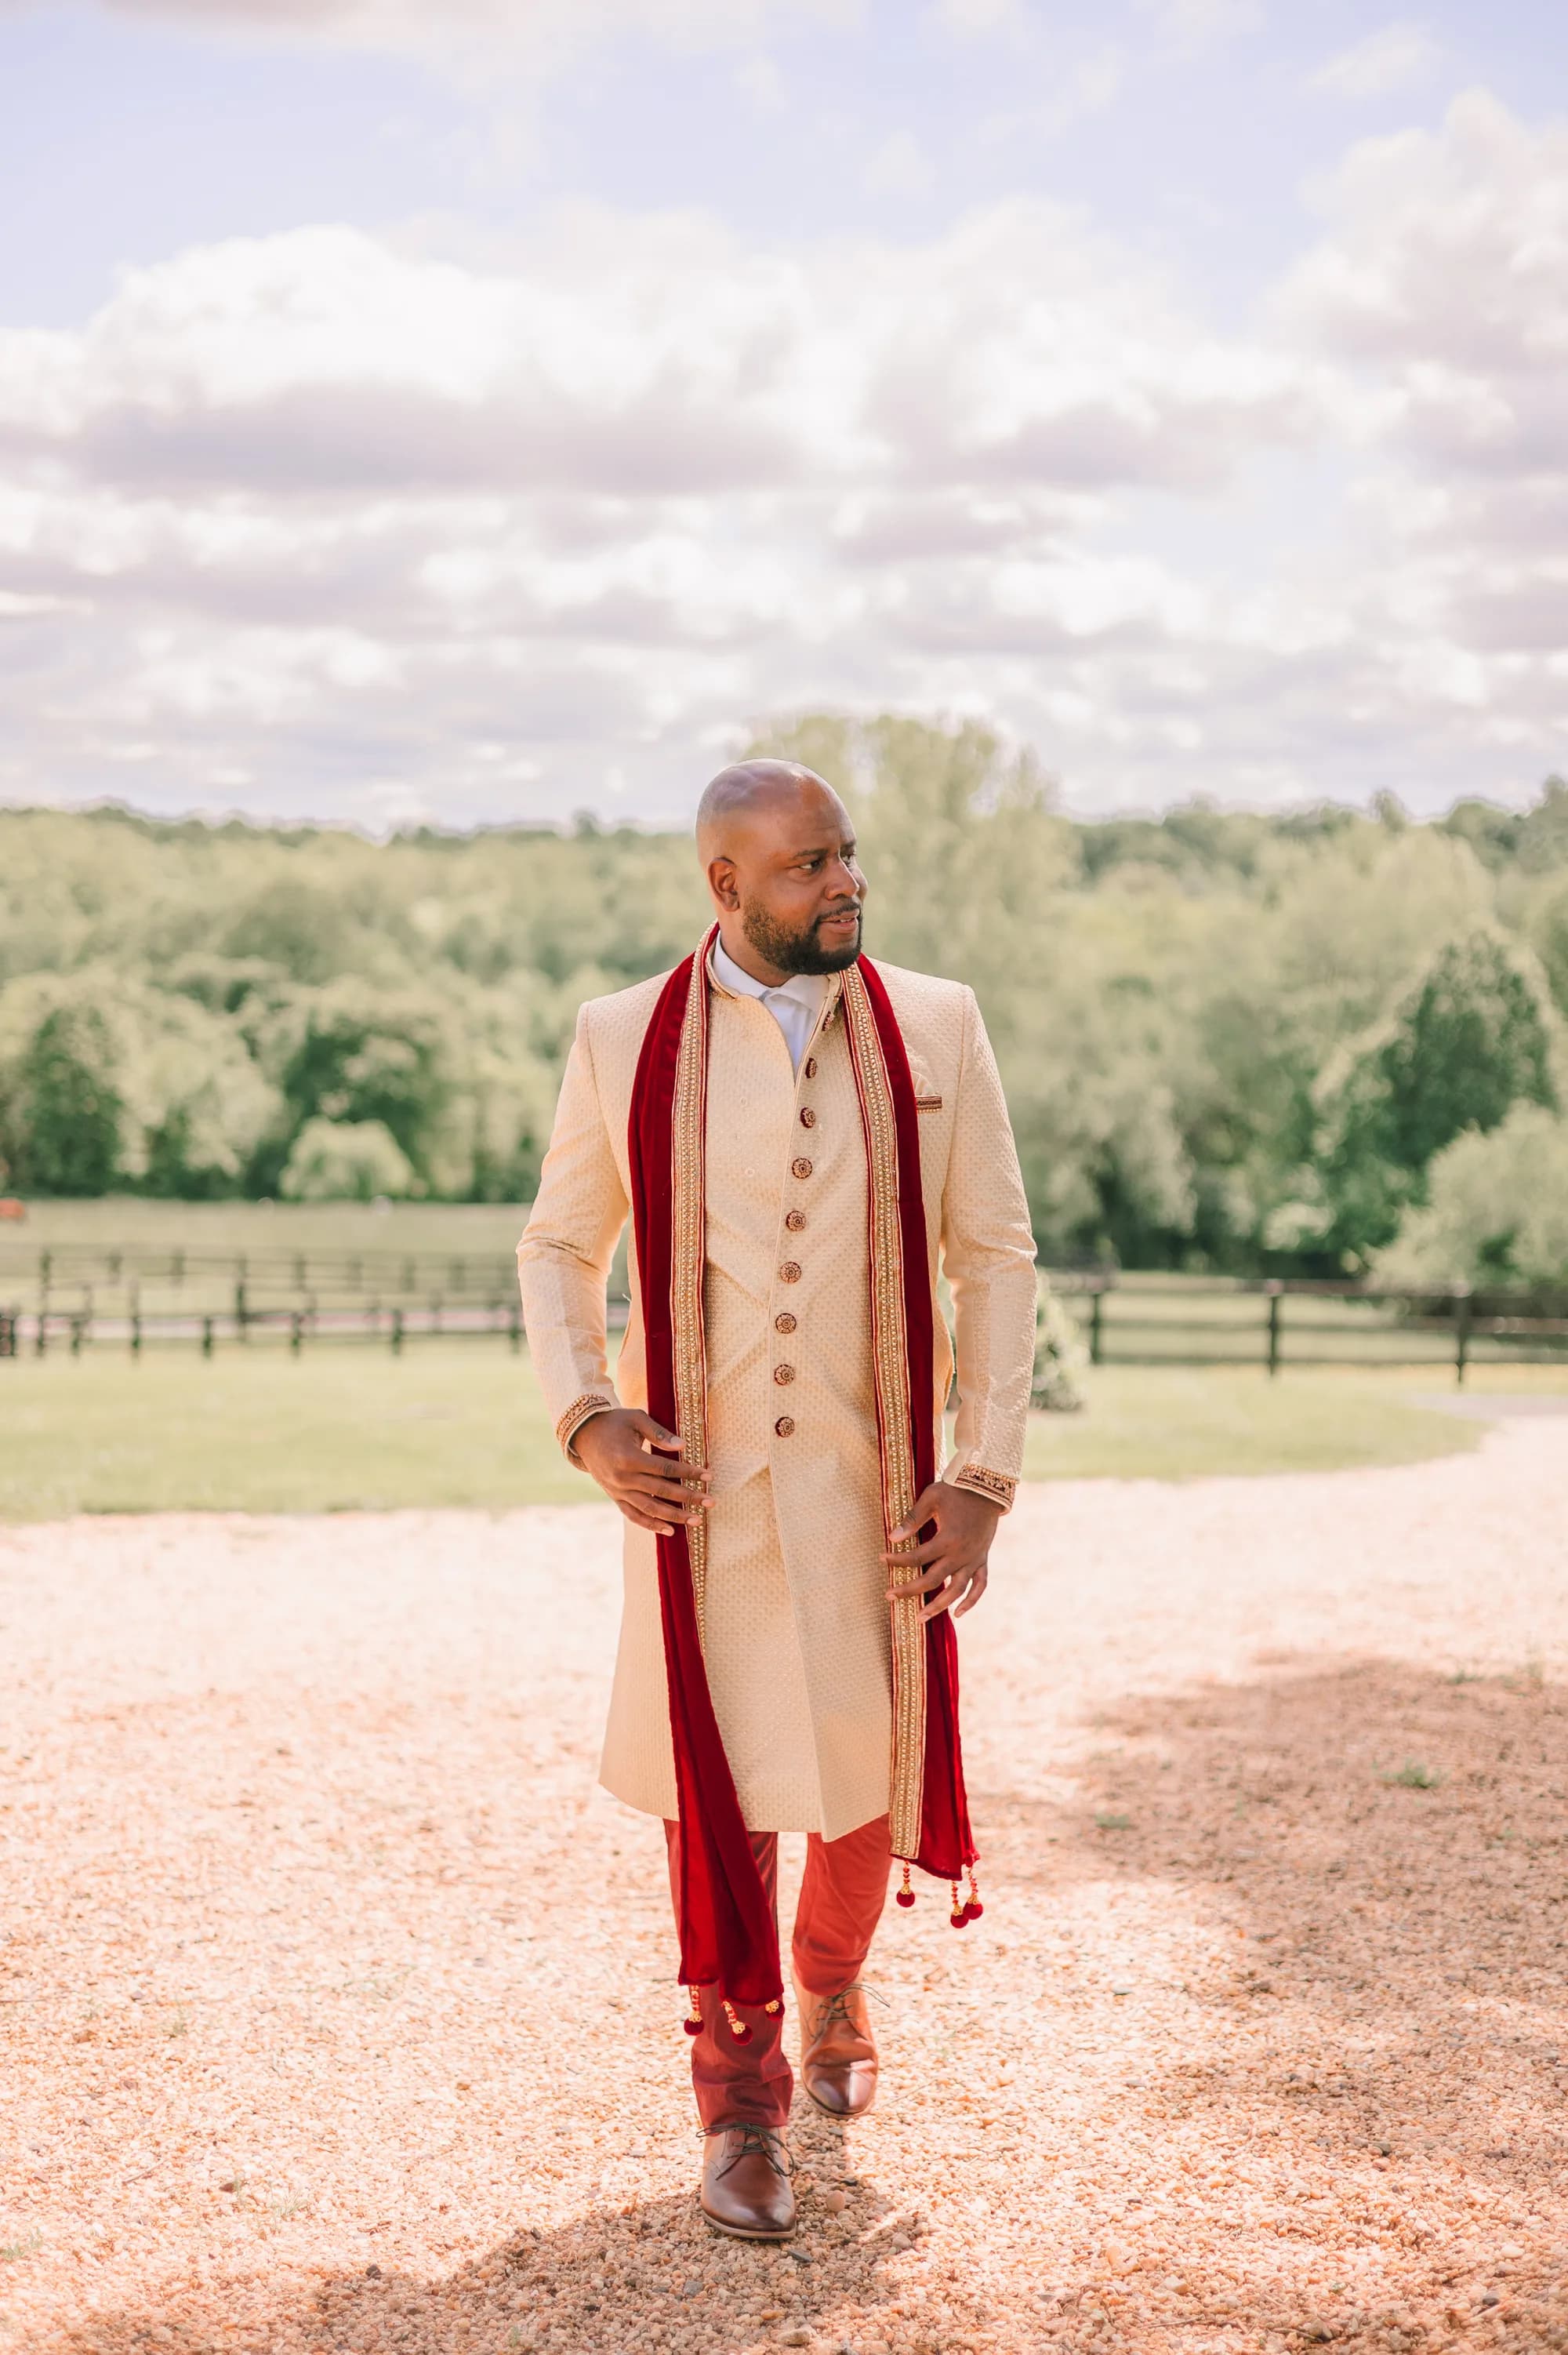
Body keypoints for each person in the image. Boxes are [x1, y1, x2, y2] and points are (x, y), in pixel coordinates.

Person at [517, 761, 1037, 2240]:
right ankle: (737, 2107)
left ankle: (832, 1977)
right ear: (725, 886)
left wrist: (981, 1474)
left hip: (878, 1501)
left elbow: (995, 1257)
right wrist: (589, 1412)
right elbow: (560, 1247)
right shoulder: (625, 1037)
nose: (844, 885)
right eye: (808, 867)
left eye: (848, 857)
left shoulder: (935, 1024)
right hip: (706, 1509)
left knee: (864, 1805)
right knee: (722, 1807)